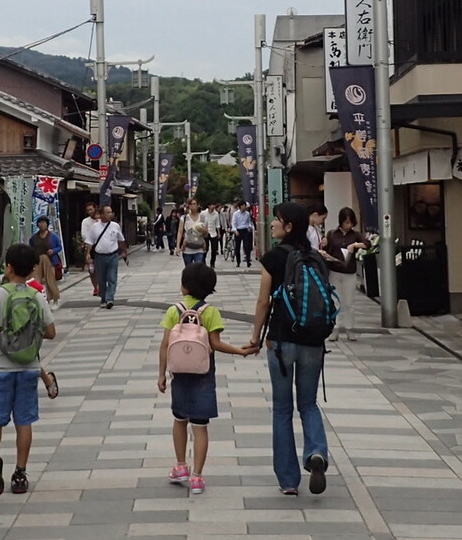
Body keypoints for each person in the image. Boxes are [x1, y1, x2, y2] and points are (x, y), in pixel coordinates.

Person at [248, 200, 334, 496]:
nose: (272, 224)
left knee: (282, 409)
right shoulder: (316, 257)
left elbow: (263, 302)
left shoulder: (274, 258)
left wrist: (255, 337)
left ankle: (288, 480)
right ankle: (316, 452)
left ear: (288, 227)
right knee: (308, 404)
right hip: (313, 341)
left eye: (277, 220)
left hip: (282, 341)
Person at [157, 262, 252, 496]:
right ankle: (197, 476)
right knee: (200, 426)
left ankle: (180, 466)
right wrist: (240, 351)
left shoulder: (173, 310)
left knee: (179, 420)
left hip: (179, 373)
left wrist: (161, 374)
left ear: (185, 286)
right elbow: (216, 344)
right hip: (203, 375)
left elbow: (165, 345)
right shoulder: (210, 312)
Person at [0, 243, 57, 495]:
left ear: (8, 267)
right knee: (24, 421)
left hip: (0, 368)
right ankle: (20, 474)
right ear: (32, 269)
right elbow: (51, 332)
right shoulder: (36, 295)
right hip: (28, 368)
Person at [323, 208, 368, 342]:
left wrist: (354, 245)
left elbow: (367, 244)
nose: (348, 225)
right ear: (341, 221)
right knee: (335, 301)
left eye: (350, 222)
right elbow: (326, 249)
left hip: (349, 272)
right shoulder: (332, 234)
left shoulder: (355, 235)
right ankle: (334, 329)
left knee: (349, 302)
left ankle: (349, 329)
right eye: (346, 222)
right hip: (334, 271)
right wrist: (324, 245)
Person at [87, 204, 126, 308]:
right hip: (99, 257)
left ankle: (110, 299)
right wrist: (87, 253)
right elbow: (90, 242)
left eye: (111, 212)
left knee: (112, 278)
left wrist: (124, 251)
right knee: (101, 279)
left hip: (113, 256)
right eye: (108, 212)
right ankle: (103, 298)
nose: (110, 214)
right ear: (102, 215)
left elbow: (121, 240)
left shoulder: (115, 226)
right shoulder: (94, 227)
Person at [30, 216, 62, 304]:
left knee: (50, 280)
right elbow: (31, 247)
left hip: (50, 260)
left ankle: (54, 298)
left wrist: (53, 251)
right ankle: (38, 299)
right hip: (37, 260)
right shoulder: (34, 237)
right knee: (36, 279)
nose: (42, 225)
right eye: (40, 223)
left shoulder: (53, 236)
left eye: (44, 223)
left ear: (47, 224)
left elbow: (59, 247)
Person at [80, 206, 105, 297]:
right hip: (90, 247)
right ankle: (96, 287)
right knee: (92, 270)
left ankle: (100, 287)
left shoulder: (103, 223)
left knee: (101, 269)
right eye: (88, 210)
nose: (90, 212)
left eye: (91, 209)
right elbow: (84, 234)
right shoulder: (86, 222)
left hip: (101, 247)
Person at [178, 203, 209, 267]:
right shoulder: (184, 218)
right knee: (189, 270)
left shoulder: (203, 218)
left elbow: (206, 235)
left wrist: (204, 231)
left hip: (199, 248)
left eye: (194, 204)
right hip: (187, 248)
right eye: (191, 204)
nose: (192, 206)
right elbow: (180, 232)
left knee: (198, 269)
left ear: (198, 205)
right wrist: (178, 246)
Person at [202, 202, 225, 266]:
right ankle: (203, 261)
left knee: (214, 249)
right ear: (209, 206)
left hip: (213, 232)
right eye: (212, 205)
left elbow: (217, 224)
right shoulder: (203, 213)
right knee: (205, 248)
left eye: (214, 205)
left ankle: (212, 262)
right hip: (206, 232)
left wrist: (219, 233)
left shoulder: (216, 214)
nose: (213, 206)